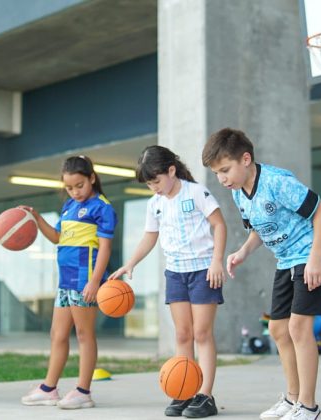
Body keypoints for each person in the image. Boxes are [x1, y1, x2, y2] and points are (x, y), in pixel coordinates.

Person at [203, 128, 321, 420]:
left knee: (299, 329)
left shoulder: (277, 182)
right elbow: (259, 232)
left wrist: (315, 259)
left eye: (225, 170)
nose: (222, 178)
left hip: (313, 256)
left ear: (246, 159)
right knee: (277, 329)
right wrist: (242, 252)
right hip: (286, 260)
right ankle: (291, 399)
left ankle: (309, 405)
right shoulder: (240, 195)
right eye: (216, 173)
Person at [109, 146, 227, 418]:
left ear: (171, 171)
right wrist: (130, 263)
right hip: (175, 273)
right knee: (183, 334)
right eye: (150, 184)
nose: (154, 188)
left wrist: (217, 261)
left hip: (202, 271)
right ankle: (185, 391)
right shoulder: (156, 204)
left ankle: (205, 395)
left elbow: (219, 225)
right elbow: (150, 237)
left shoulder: (196, 192)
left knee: (202, 334)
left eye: (156, 181)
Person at [20, 155, 117, 410]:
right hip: (65, 281)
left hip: (85, 281)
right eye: (69, 188)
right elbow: (57, 237)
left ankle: (83, 391)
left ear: (92, 178)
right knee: (57, 334)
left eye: (79, 185)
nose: (75, 192)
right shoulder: (68, 207)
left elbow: (105, 249)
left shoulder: (102, 207)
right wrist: (37, 218)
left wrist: (95, 282)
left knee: (85, 335)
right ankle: (49, 388)